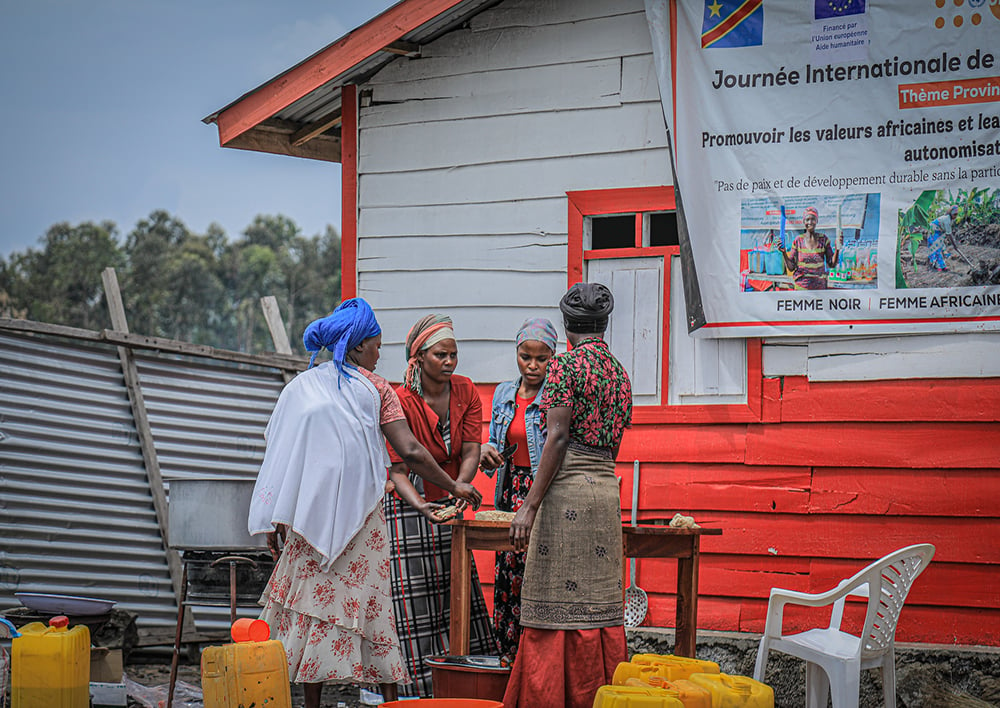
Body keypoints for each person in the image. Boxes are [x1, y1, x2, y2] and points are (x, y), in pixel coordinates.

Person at [247, 299, 482, 708]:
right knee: (372, 606)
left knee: (312, 609)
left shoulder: (301, 388)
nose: (379, 353)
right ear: (356, 347)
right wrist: (453, 486)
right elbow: (410, 450)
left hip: (307, 519)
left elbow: (279, 453)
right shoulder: (376, 390)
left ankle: (312, 704)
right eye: (376, 345)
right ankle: (389, 700)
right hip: (362, 519)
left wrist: (274, 517)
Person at [503, 283, 634, 708]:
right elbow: (612, 448)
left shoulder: (564, 368)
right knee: (598, 605)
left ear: (567, 324)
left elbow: (556, 438)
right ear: (605, 324)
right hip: (605, 495)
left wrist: (529, 504)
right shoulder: (619, 372)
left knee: (552, 605)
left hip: (567, 495)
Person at [384, 314, 499, 696]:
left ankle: (462, 684)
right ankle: (416, 690)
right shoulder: (399, 399)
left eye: (453, 354)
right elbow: (403, 465)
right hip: (410, 501)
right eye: (440, 355)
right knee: (414, 598)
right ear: (418, 358)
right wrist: (435, 499)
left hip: (450, 496)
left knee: (454, 588)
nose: (450, 362)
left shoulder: (465, 391)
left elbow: (470, 447)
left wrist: (460, 489)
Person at [479, 317, 558, 665]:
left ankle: (536, 660)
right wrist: (487, 452)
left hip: (539, 492)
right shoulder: (503, 394)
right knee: (508, 571)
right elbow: (495, 448)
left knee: (536, 573)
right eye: (526, 356)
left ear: (553, 358)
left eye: (541, 359)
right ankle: (508, 658)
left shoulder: (556, 396)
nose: (532, 365)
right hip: (510, 491)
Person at [779, 205, 842, 289]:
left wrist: (837, 249)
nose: (810, 222)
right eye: (807, 219)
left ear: (817, 220)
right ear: (804, 222)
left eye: (813, 219)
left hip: (819, 288)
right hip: (801, 288)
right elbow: (791, 268)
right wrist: (784, 253)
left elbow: (832, 264)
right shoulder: (798, 241)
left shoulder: (823, 239)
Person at [928, 205, 960, 271]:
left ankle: (942, 265)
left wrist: (954, 244)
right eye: (954, 214)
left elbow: (948, 232)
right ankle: (937, 266)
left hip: (939, 231)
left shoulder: (950, 219)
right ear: (951, 213)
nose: (955, 216)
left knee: (942, 247)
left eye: (956, 215)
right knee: (937, 248)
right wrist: (954, 245)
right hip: (933, 231)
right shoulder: (947, 220)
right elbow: (949, 234)